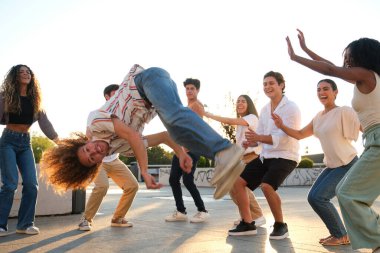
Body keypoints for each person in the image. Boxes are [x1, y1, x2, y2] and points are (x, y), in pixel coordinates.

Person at [40, 65, 245, 201]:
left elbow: (133, 136)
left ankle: (224, 150)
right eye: (93, 158)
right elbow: (165, 137)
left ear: (84, 142)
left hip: (146, 81)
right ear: (97, 164)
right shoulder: (124, 150)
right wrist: (181, 153)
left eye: (87, 149)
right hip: (156, 97)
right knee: (178, 132)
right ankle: (221, 159)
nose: (95, 150)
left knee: (175, 117)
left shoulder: (96, 124)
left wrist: (144, 171)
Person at [286, 29, 380, 252]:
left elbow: (331, 70)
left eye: (349, 58)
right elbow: (331, 66)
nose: (344, 63)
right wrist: (307, 50)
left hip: (378, 140)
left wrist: (296, 57)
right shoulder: (370, 78)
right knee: (350, 193)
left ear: (362, 58)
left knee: (347, 192)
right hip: (372, 142)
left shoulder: (368, 76)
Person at [273, 79, 359, 246]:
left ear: (335, 92)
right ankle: (339, 233)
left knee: (319, 197)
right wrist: (281, 125)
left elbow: (364, 126)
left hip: (348, 162)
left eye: (326, 89)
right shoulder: (318, 117)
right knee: (313, 197)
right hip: (332, 165)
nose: (322, 92)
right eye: (318, 89)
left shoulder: (343, 111)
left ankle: (341, 235)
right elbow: (299, 134)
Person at [228, 71, 301, 238]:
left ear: (281, 85)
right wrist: (252, 142)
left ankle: (280, 225)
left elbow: (285, 138)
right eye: (265, 84)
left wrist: (258, 138)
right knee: (238, 182)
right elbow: (259, 135)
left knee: (267, 186)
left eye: (271, 83)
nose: (267, 87)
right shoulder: (265, 109)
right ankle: (247, 223)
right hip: (266, 156)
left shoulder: (291, 108)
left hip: (285, 156)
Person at [0, 64, 58, 237]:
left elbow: (45, 123)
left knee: (32, 184)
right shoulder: (5, 96)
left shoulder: (35, 99)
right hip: (8, 141)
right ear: (15, 77)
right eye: (21, 72)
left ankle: (25, 224)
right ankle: (1, 225)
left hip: (26, 143)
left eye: (28, 72)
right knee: (10, 185)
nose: (25, 74)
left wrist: (57, 140)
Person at [204, 94, 266, 227]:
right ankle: (247, 215)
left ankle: (256, 216)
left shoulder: (252, 118)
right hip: (243, 157)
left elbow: (229, 121)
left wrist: (209, 115)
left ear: (249, 104)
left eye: (243, 101)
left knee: (239, 186)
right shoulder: (242, 123)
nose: (240, 103)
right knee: (233, 187)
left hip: (253, 158)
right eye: (238, 102)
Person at [165, 78, 209, 223]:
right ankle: (181, 211)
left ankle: (202, 210)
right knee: (173, 179)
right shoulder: (188, 105)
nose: (189, 91)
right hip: (181, 149)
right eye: (187, 88)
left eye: (192, 88)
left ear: (198, 90)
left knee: (188, 180)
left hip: (191, 149)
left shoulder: (196, 105)